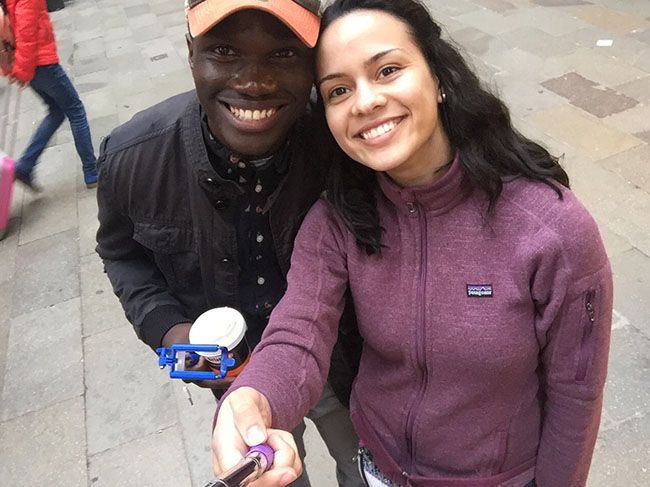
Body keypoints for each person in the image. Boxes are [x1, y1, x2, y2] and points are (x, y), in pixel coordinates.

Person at [211, 0, 614, 486]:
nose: (365, 102)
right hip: (375, 469)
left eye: (387, 70)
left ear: (438, 77)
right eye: (338, 89)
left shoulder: (551, 228)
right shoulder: (337, 219)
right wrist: (252, 399)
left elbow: (576, 394)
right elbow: (299, 333)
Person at [95, 1, 363, 486]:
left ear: (313, 63)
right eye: (223, 50)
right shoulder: (134, 158)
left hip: (337, 359)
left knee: (364, 463)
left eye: (282, 54)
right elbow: (121, 254)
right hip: (227, 368)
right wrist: (174, 343)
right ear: (190, 52)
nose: (254, 81)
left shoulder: (343, 146)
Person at [1, 0, 98, 192]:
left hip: (32, 66)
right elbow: (26, 36)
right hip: (42, 65)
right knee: (76, 111)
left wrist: (19, 70)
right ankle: (92, 171)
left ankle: (25, 166)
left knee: (56, 111)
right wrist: (22, 72)